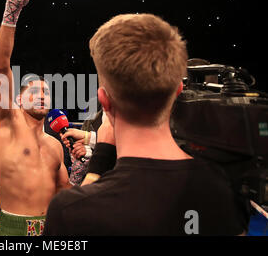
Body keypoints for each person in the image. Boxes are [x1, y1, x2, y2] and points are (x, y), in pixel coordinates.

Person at [44, 13, 248, 235]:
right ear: (179, 92)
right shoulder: (223, 190)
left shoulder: (71, 210)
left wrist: (99, 162)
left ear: (105, 101)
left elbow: (81, 209)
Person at [0, 0, 71, 236]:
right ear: (16, 99)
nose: (42, 95)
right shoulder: (7, 127)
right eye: (34, 91)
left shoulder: (55, 145)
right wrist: (12, 9)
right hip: (12, 231)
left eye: (46, 92)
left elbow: (66, 194)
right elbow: (1, 66)